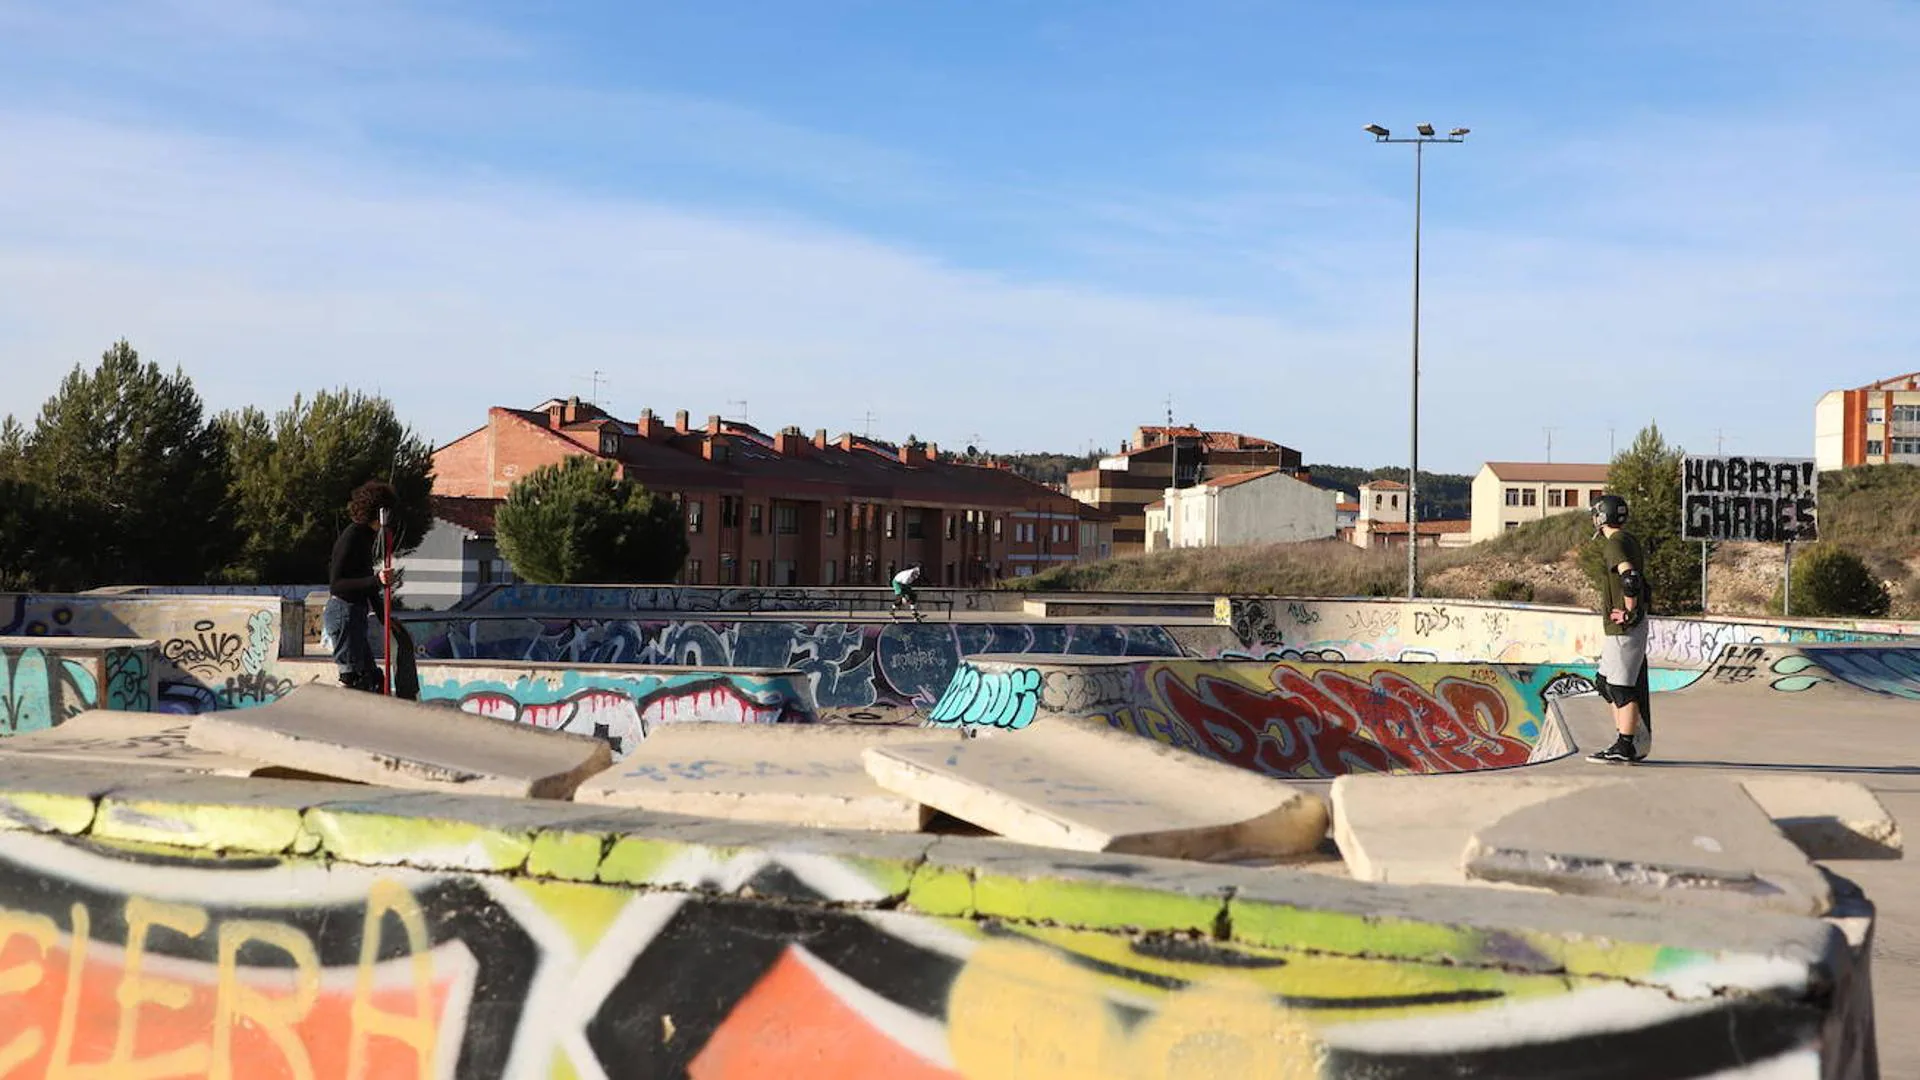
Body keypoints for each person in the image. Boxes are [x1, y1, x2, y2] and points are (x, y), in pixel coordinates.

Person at [1586, 493, 1653, 764]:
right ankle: (1623, 736)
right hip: (1620, 630)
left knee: (1621, 689)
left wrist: (1629, 611)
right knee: (1605, 684)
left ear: (1602, 517)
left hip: (1623, 629)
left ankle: (1626, 745)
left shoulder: (1614, 543)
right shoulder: (1627, 540)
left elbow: (1630, 578)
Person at [325, 480, 402, 693]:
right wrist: (377, 580)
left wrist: (383, 616)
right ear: (379, 512)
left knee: (372, 678)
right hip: (344, 611)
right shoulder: (354, 535)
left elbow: (367, 583)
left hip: (354, 614)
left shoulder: (366, 537)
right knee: (352, 676)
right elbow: (337, 584)